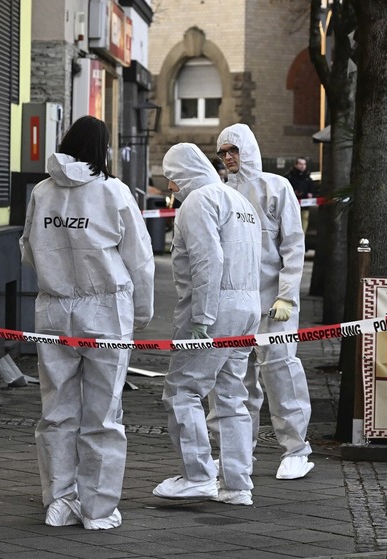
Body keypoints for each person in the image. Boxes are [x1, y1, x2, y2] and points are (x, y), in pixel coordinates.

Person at [20, 115, 155, 530]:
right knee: (103, 413)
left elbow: (28, 248)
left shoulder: (42, 192)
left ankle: (58, 501)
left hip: (54, 310)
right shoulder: (113, 192)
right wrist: (142, 313)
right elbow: (140, 260)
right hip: (106, 312)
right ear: (102, 149)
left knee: (57, 410)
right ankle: (97, 509)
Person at [153, 143, 261, 506]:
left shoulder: (198, 202)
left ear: (183, 172)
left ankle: (197, 474)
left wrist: (202, 318)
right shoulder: (238, 201)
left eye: (171, 179)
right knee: (231, 395)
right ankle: (237, 483)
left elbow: (207, 260)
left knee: (182, 390)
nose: (171, 188)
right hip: (247, 309)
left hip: (215, 311)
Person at [216, 124, 314, 480]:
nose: (228, 158)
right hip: (238, 302)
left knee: (281, 373)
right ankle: (242, 451)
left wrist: (287, 295)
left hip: (274, 302)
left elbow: (292, 246)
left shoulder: (276, 187)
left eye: (233, 151)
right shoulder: (221, 192)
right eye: (223, 152)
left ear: (248, 150)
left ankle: (296, 449)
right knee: (238, 380)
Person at [284, 157, 315, 235]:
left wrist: (310, 194)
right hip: (291, 206)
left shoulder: (308, 178)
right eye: (300, 164)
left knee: (304, 220)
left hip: (305, 205)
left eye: (304, 164)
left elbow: (312, 189)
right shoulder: (289, 177)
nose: (303, 166)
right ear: (296, 165)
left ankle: (302, 237)